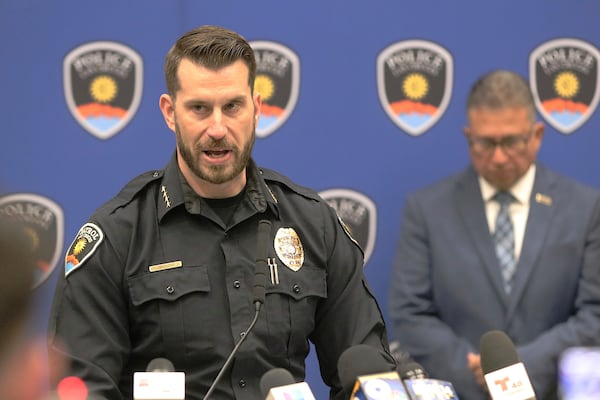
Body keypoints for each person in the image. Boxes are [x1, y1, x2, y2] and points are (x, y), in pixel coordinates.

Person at [48, 25, 394, 400]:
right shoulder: (118, 234)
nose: (217, 128)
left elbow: (369, 375)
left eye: (232, 107)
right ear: (170, 113)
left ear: (256, 109)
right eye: (199, 108)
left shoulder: (312, 223)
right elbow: (81, 388)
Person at [388, 70, 600, 400]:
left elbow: (594, 314)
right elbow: (411, 314)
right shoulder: (427, 210)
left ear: (537, 135)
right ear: (468, 136)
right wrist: (474, 370)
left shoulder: (585, 208)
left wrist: (517, 368)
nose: (499, 157)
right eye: (486, 143)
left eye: (511, 141)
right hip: (463, 392)